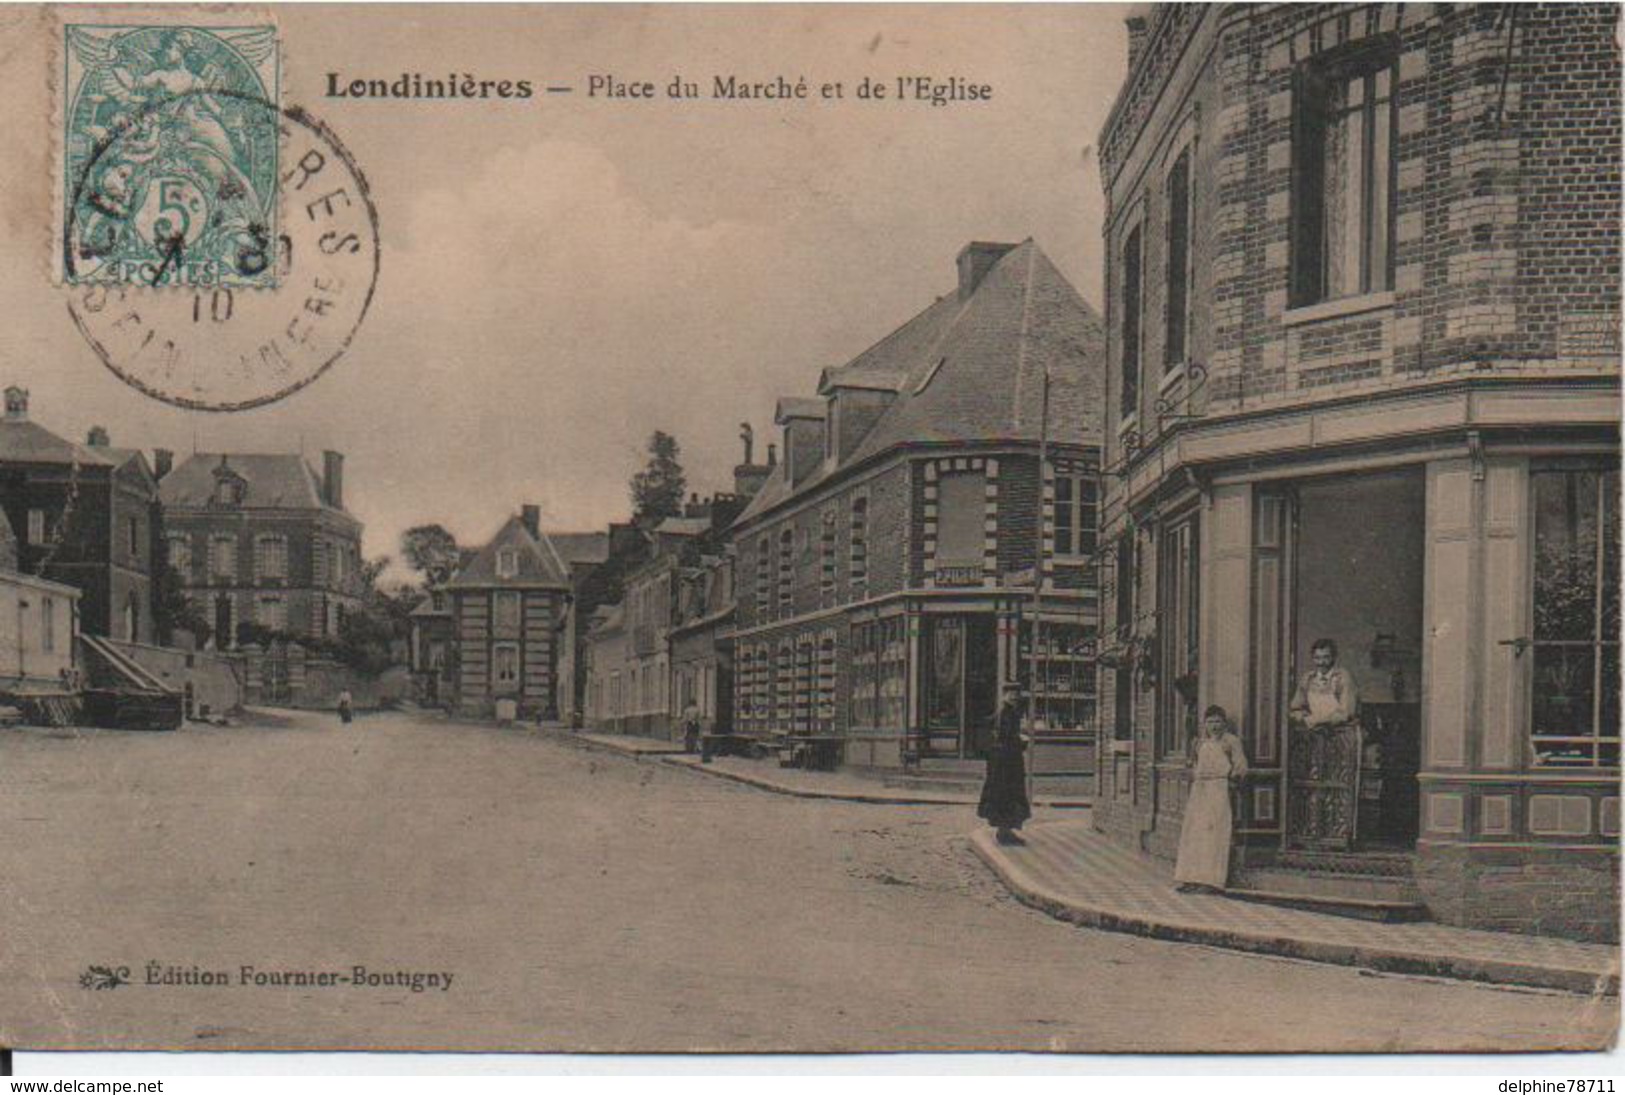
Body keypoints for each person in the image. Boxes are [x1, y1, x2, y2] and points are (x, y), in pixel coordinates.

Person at [1173, 704, 1249, 892]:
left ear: (1224, 723)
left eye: (1218, 721)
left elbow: (1241, 765)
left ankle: (1211, 881)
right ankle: (1190, 878)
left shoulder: (1230, 742)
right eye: (1210, 722)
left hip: (1219, 789)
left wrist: (1232, 780)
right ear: (1204, 724)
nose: (1214, 726)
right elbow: (1192, 765)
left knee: (1214, 834)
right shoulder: (1199, 743)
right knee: (1194, 833)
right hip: (1200, 790)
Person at [977, 683, 1031, 846]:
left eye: (1016, 694)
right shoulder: (1005, 714)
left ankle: (1005, 830)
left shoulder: (1010, 713)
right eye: (1010, 694)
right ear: (1004, 695)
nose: (1014, 696)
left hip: (1006, 762)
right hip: (1006, 764)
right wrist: (1021, 742)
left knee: (1006, 795)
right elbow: (1006, 738)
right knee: (1007, 795)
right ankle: (1004, 832)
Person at [1289, 638, 1360, 729]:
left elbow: (1346, 713)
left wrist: (1317, 721)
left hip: (1341, 734)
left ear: (1334, 657)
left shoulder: (1343, 678)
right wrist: (1302, 717)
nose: (1321, 662)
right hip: (1314, 733)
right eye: (1317, 658)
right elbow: (1296, 708)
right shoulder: (1307, 679)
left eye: (1326, 657)